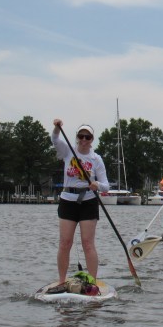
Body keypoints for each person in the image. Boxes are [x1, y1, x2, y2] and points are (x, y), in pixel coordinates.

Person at [51, 119, 110, 283]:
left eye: (87, 137)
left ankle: (92, 282)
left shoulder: (96, 159)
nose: (84, 140)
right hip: (68, 200)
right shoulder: (68, 151)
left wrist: (96, 184)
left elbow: (105, 186)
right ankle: (62, 281)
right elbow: (55, 139)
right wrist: (57, 128)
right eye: (81, 136)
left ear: (92, 140)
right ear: (77, 137)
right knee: (65, 243)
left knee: (87, 243)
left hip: (88, 202)